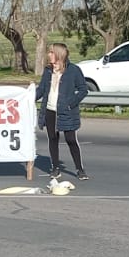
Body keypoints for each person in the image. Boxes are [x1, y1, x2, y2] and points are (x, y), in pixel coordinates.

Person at [34, 42, 89, 179]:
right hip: (50, 110)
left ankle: (80, 169)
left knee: (71, 139)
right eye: (49, 52)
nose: (49, 55)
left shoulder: (73, 70)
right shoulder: (48, 71)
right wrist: (28, 98)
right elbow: (41, 90)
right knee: (52, 138)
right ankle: (55, 168)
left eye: (52, 52)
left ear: (59, 54)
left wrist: (71, 104)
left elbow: (83, 89)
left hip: (67, 111)